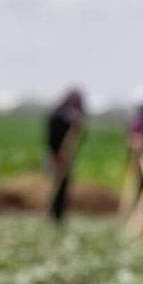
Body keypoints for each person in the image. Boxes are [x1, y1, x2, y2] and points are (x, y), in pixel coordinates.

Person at [44, 87, 86, 227]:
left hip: (67, 155)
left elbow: (78, 137)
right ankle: (51, 213)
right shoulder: (59, 115)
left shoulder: (75, 117)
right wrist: (56, 154)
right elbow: (52, 137)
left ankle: (59, 215)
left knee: (63, 186)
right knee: (54, 184)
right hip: (56, 155)